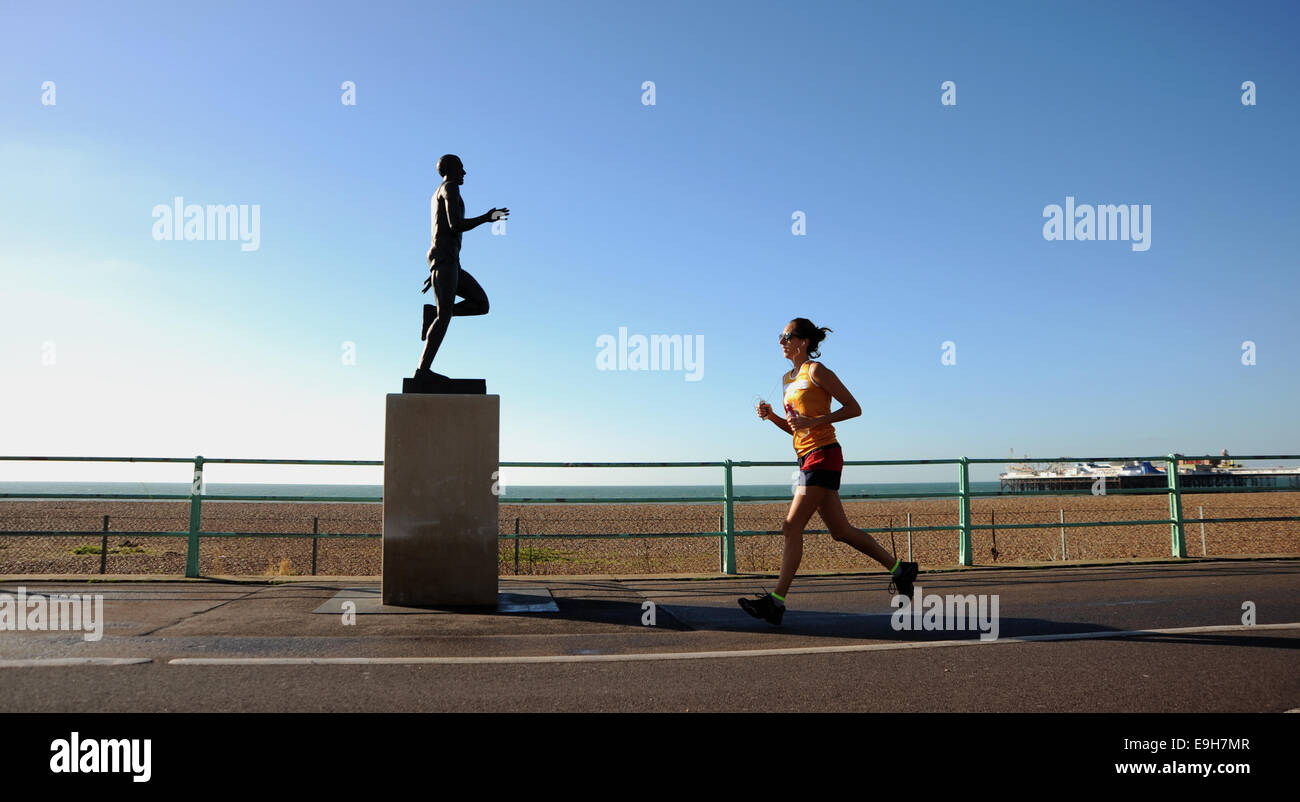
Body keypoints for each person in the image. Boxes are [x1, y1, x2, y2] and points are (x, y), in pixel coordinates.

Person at [739, 318, 919, 626]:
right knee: (840, 531)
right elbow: (796, 429)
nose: (781, 341)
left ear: (803, 341)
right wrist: (772, 418)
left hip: (823, 456)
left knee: (791, 526)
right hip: (806, 455)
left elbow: (854, 407)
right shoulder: (787, 378)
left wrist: (814, 422)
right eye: (780, 337)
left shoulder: (817, 372)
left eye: (786, 336)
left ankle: (776, 602)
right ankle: (900, 569)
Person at [414, 154, 509, 379]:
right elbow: (454, 225)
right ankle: (423, 372)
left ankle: (433, 313)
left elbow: (442, 233)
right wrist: (486, 218)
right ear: (452, 169)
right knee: (444, 316)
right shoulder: (449, 188)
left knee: (481, 304)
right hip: (445, 261)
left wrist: (437, 268)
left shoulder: (443, 191)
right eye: (461, 168)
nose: (464, 173)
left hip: (449, 262)